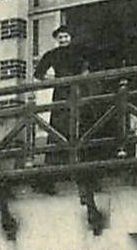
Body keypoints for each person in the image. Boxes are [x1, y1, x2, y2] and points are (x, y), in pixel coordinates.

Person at [35, 26, 95, 164]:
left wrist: (80, 79)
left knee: (81, 119)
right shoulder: (52, 54)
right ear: (56, 39)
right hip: (61, 92)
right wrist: (55, 80)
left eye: (66, 37)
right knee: (60, 123)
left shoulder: (79, 52)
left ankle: (82, 158)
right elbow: (39, 74)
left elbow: (88, 68)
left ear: (71, 37)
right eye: (60, 37)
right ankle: (57, 160)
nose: (63, 40)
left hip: (78, 89)